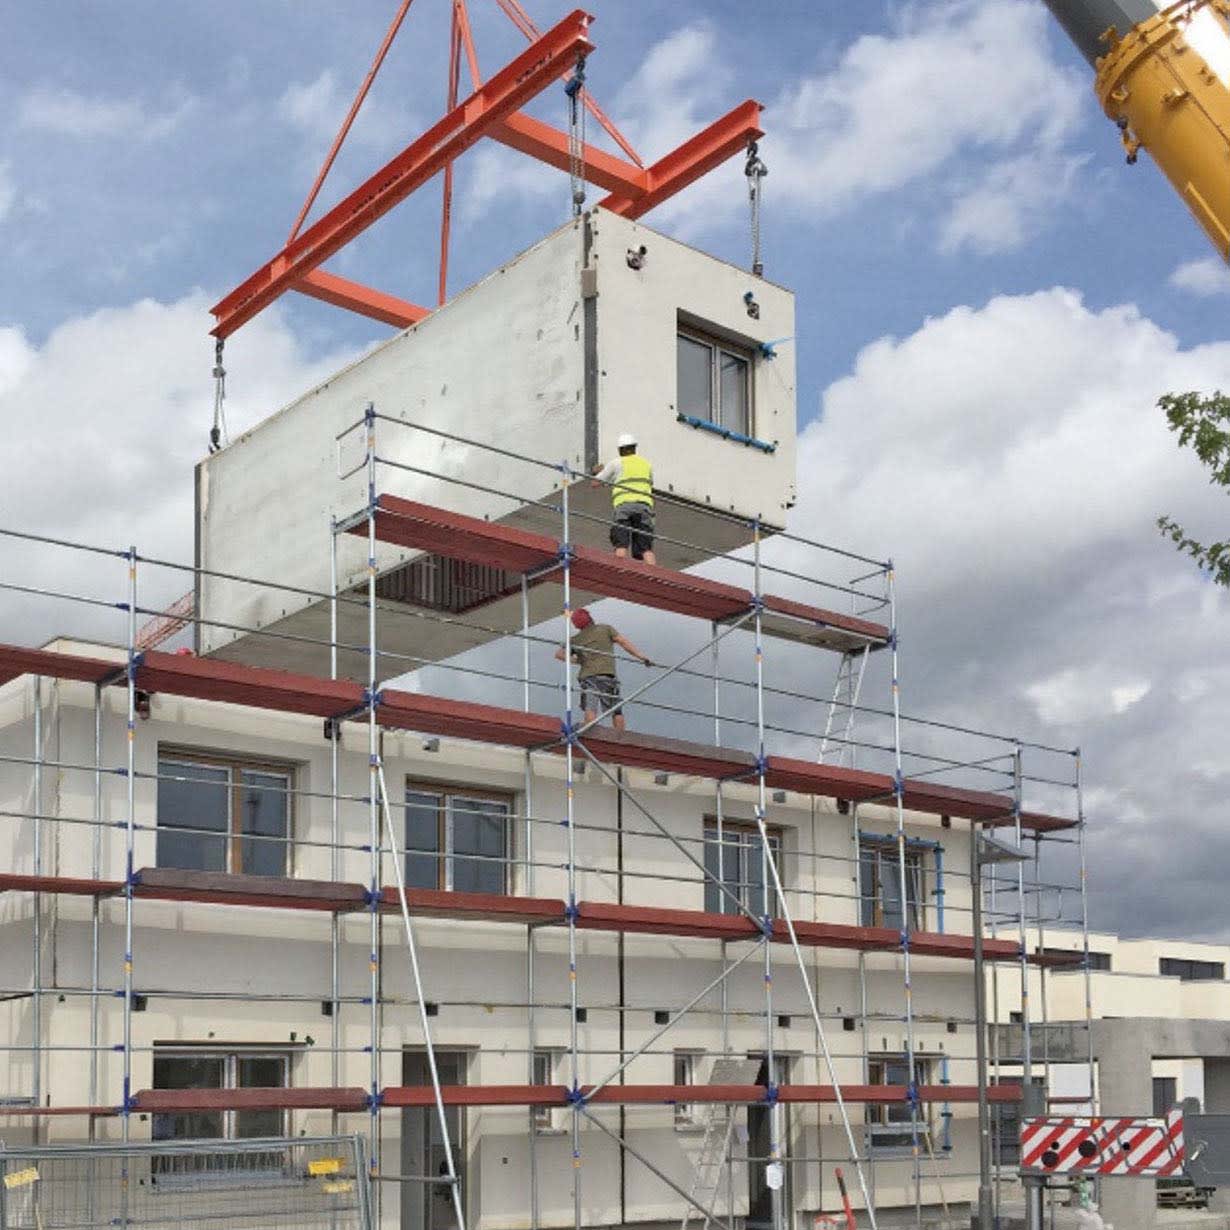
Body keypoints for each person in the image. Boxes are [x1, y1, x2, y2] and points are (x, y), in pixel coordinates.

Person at [555, 608, 653, 731]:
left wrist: (578, 661)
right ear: (590, 618)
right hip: (608, 675)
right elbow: (623, 642)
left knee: (590, 706)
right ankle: (620, 736)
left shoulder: (575, 639)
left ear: (576, 625)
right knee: (616, 710)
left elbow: (559, 654)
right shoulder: (605, 629)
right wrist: (642, 657)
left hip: (589, 677)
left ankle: (589, 732)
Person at [593, 432, 656, 565]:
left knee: (621, 543)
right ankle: (654, 577)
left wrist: (599, 472)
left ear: (620, 450)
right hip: (644, 508)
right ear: (634, 448)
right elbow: (650, 483)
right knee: (645, 547)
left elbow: (595, 483)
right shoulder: (646, 464)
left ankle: (620, 570)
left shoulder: (616, 463)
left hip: (624, 507)